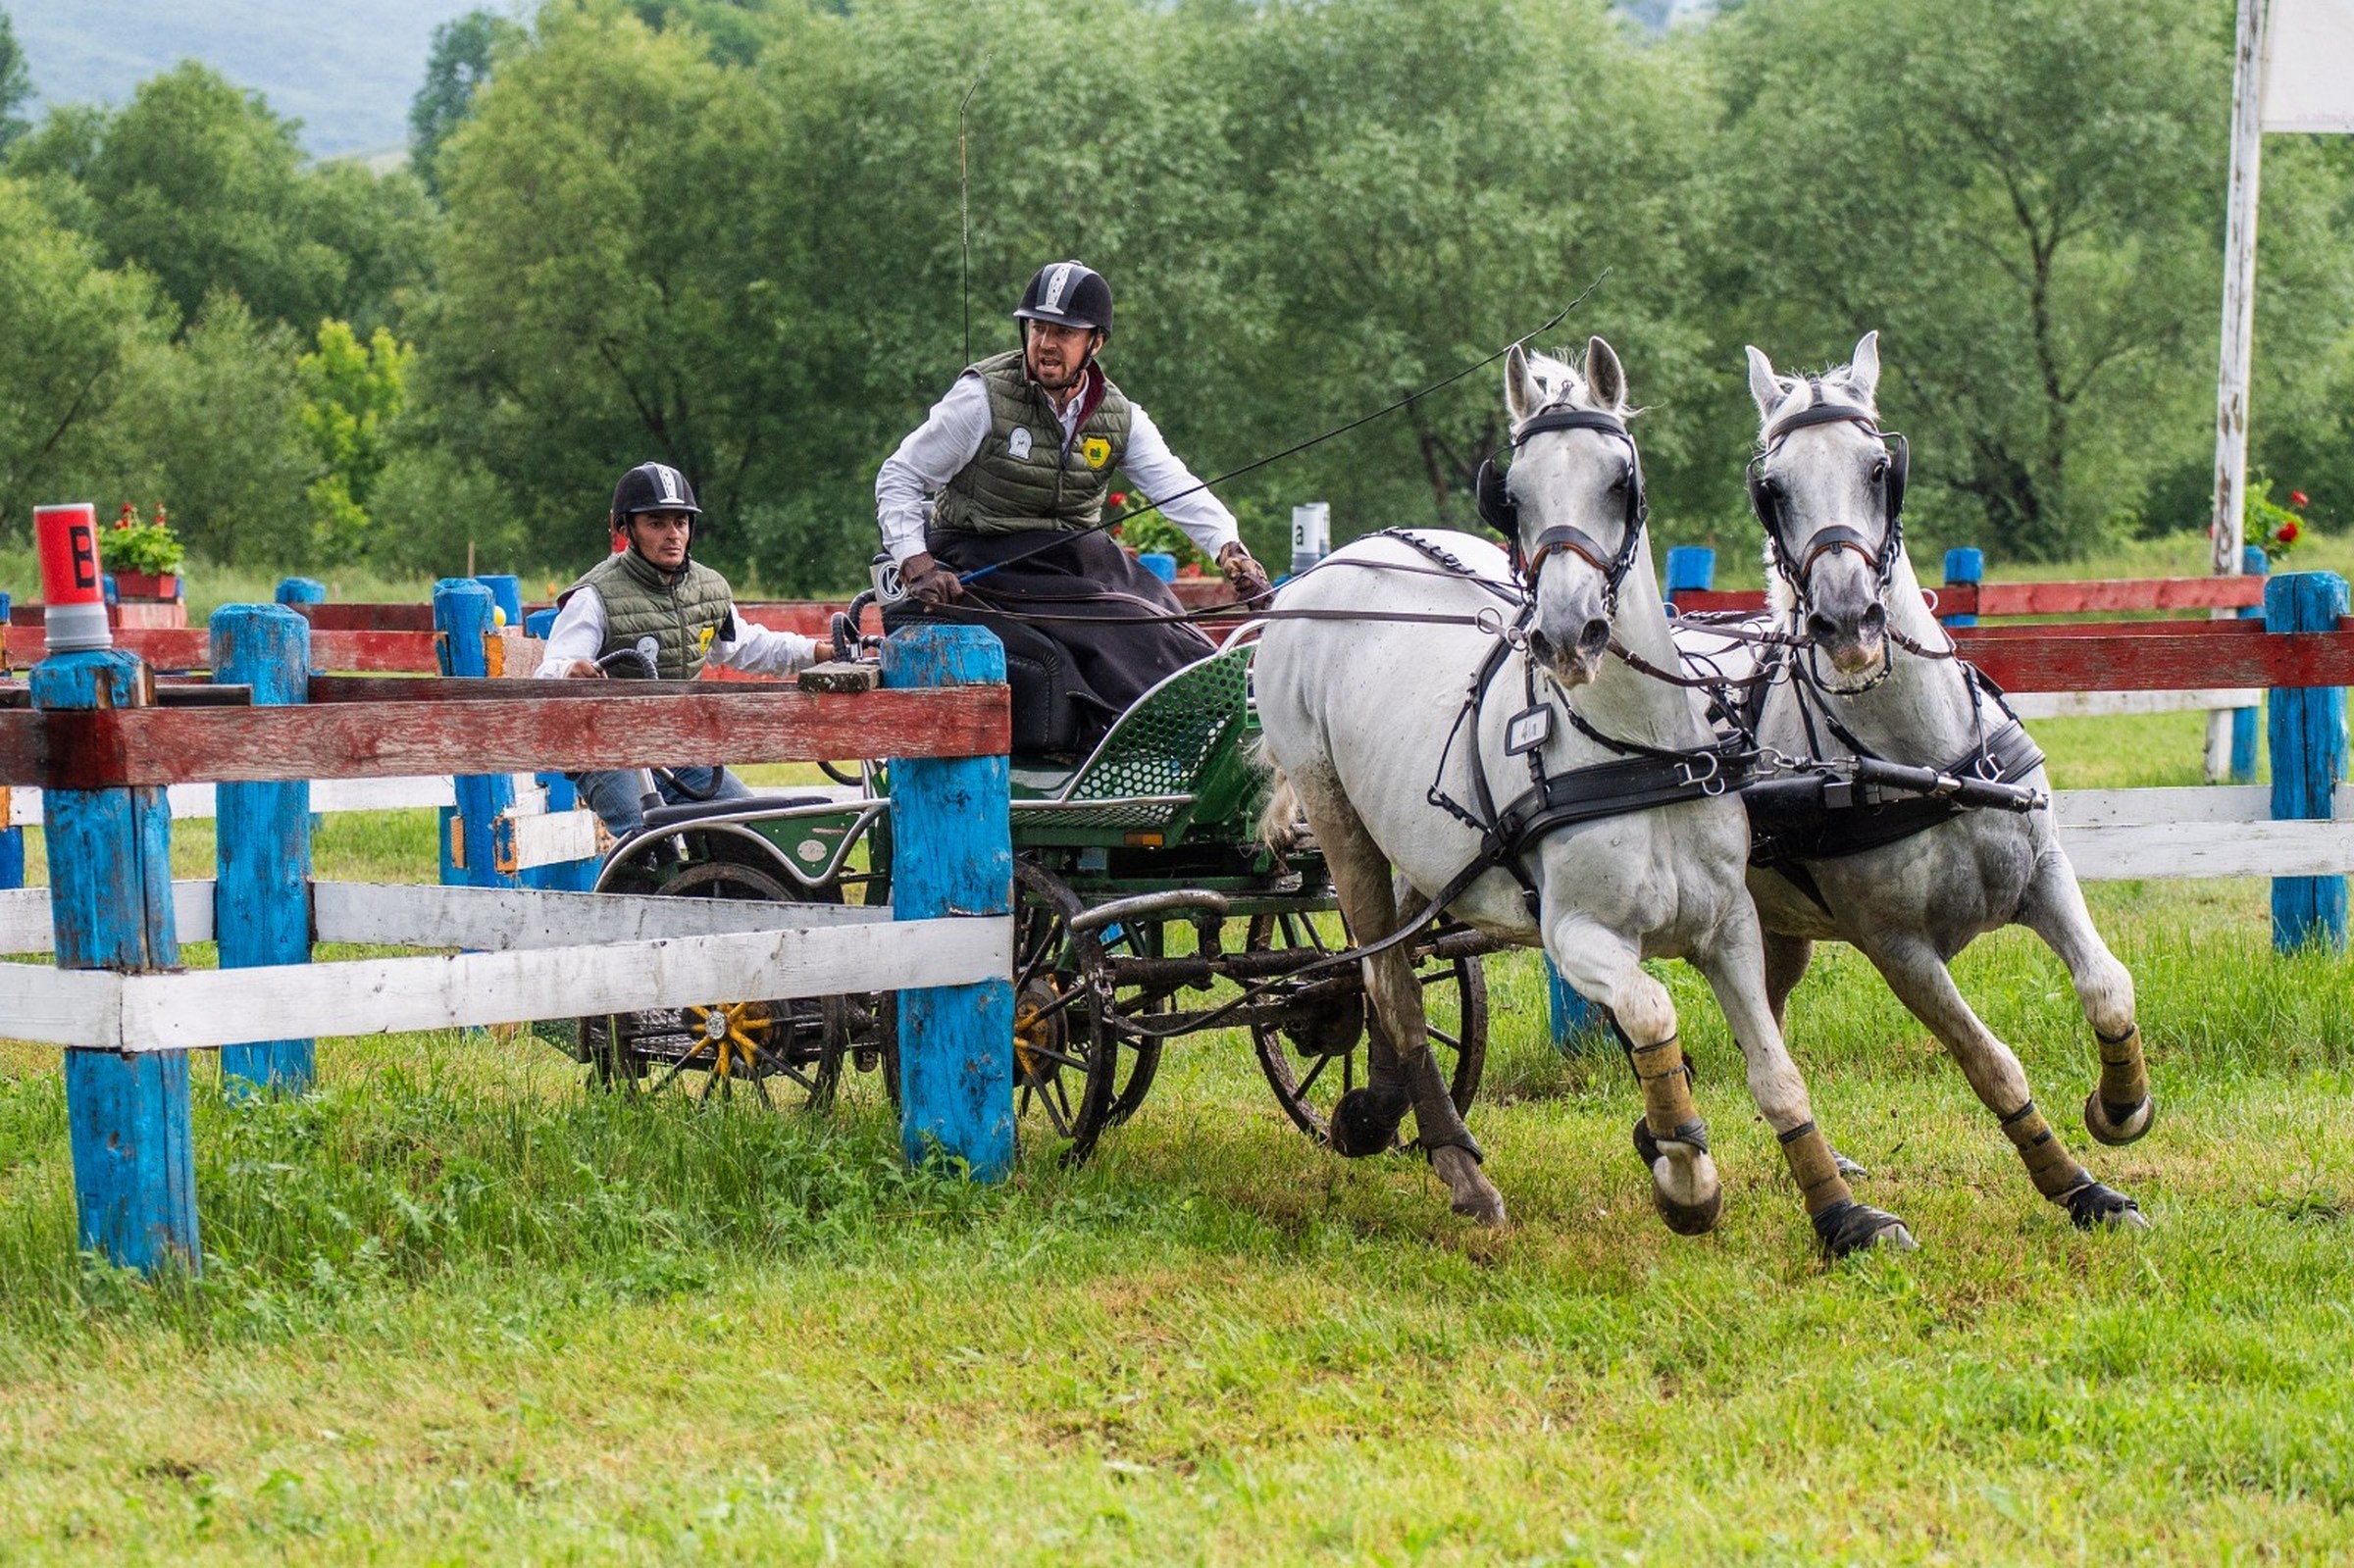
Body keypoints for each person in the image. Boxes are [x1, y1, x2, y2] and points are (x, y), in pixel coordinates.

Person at [875, 259, 1272, 754]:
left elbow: (1176, 485)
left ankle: (1227, 710)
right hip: (984, 557)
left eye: (1064, 332)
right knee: (1117, 624)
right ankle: (1156, 739)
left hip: (1076, 557)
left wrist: (1231, 550)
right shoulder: (980, 399)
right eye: (1039, 327)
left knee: (1162, 617)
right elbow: (900, 475)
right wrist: (917, 563)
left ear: (1095, 343)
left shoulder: (1119, 416)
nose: (1045, 344)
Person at [537, 460, 820, 835]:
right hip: (605, 748)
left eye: (680, 522)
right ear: (626, 529)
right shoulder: (593, 597)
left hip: (676, 747)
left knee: (751, 831)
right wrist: (569, 671)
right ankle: (637, 888)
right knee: (646, 841)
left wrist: (818, 652)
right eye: (657, 523)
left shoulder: (708, 588)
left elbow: (749, 646)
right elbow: (550, 669)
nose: (673, 534)